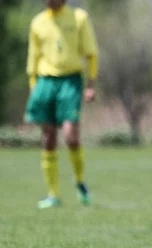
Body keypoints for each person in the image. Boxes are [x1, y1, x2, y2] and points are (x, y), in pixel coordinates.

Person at [26, 0, 98, 209]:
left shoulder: (78, 18)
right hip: (45, 81)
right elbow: (33, 57)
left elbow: (91, 53)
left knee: (70, 135)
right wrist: (33, 87)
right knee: (48, 138)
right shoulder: (38, 22)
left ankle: (79, 182)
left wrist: (91, 84)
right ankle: (53, 194)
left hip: (70, 80)